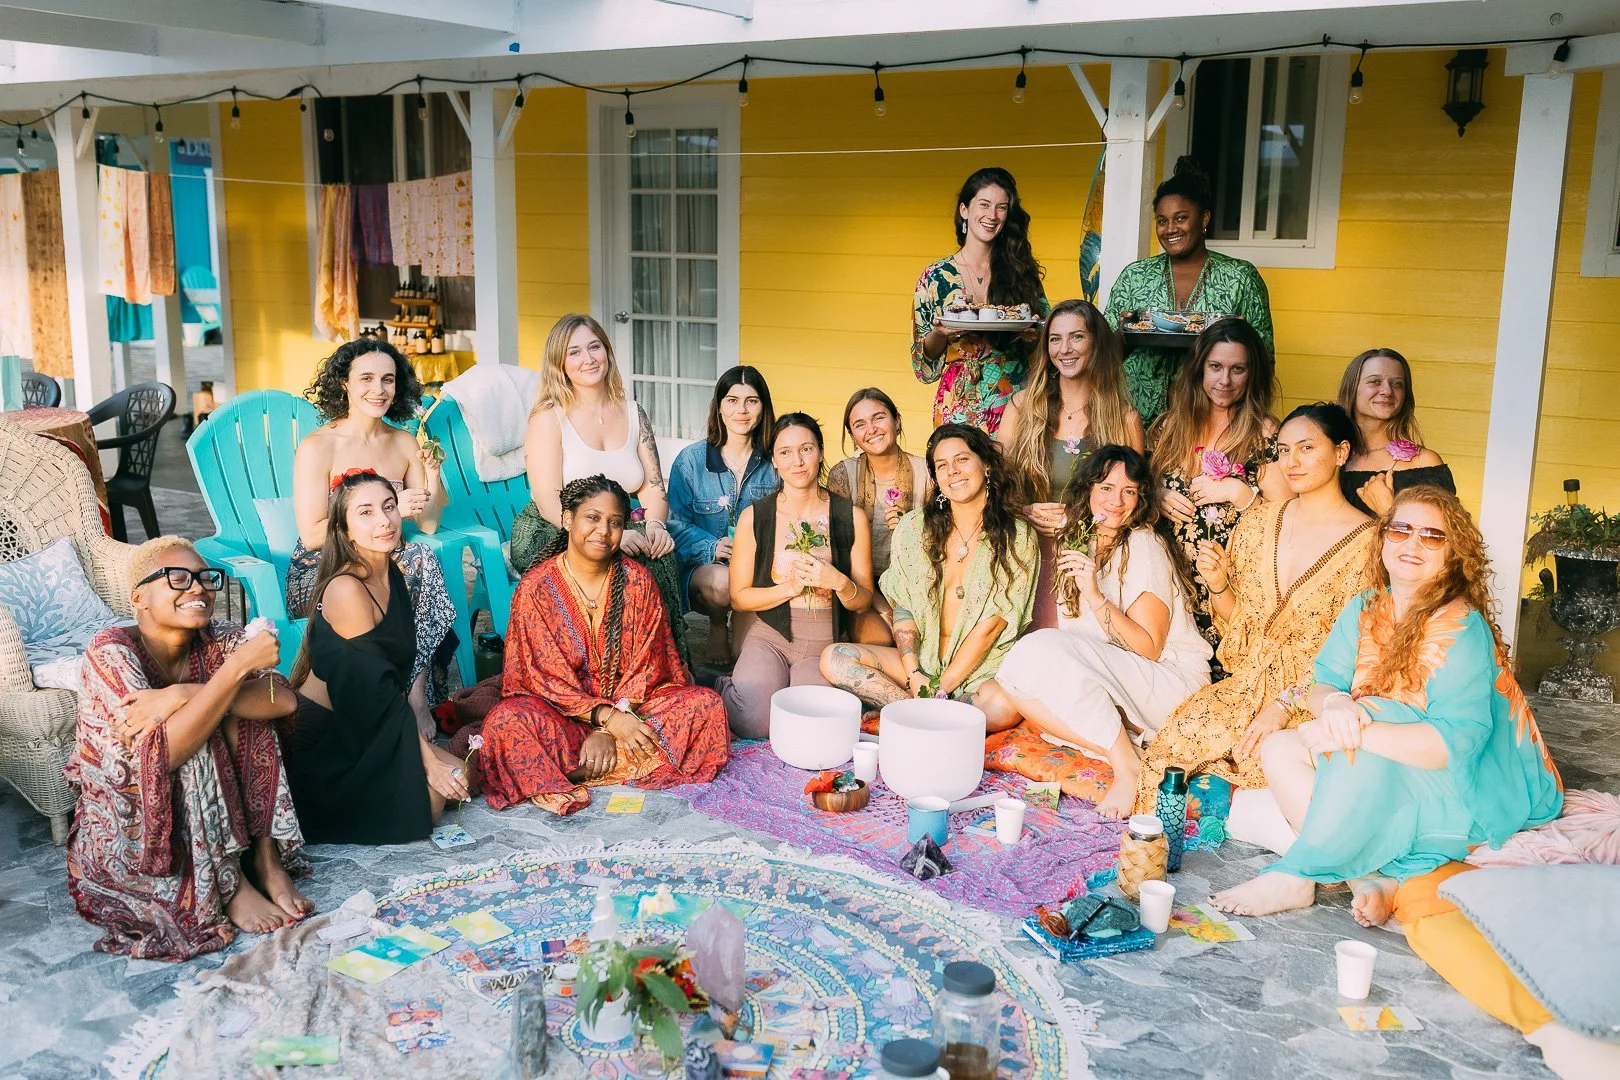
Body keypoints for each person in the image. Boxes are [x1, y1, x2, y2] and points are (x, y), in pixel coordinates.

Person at [1210, 486, 1562, 918]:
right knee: (1279, 746)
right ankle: (1365, 876)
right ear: (1383, 539)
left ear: (1453, 554)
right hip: (1386, 763)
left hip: (1464, 788)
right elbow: (1324, 682)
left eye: (1432, 536)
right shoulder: (1365, 606)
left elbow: (1455, 744)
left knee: (1365, 714)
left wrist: (1358, 731)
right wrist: (1336, 705)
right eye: (1401, 530)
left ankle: (1297, 875)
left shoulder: (1462, 627)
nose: (1413, 543)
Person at [67, 537, 309, 961]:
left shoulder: (219, 637)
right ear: (138, 597)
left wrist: (181, 693)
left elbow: (282, 699)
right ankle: (230, 883)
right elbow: (165, 754)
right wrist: (236, 670)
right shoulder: (110, 651)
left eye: (203, 578)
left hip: (201, 796)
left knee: (240, 713)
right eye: (177, 578)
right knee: (201, 728)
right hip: (135, 823)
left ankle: (267, 861)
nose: (197, 588)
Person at [1133, 403, 1380, 812]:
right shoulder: (1258, 523)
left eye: (1306, 448)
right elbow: (1240, 627)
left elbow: (1355, 654)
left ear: (1341, 452)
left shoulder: (1370, 545)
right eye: (1283, 450)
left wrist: (1283, 707)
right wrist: (1219, 586)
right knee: (1166, 762)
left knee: (1261, 777)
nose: (1292, 462)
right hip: (1242, 688)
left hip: (1312, 699)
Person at [478, 476, 730, 815]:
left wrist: (613, 728)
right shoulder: (536, 588)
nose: (603, 531)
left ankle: (575, 770)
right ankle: (611, 765)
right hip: (561, 716)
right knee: (505, 723)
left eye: (615, 523)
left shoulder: (638, 582)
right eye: (593, 518)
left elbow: (648, 666)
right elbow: (543, 678)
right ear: (568, 519)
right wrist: (604, 718)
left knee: (706, 706)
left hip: (633, 712)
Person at [997, 446, 1211, 817]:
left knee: (1036, 650)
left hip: (1172, 684)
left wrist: (1095, 595)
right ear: (1089, 490)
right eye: (1107, 488)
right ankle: (1129, 751)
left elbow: (1148, 647)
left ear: (1141, 499)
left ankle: (1127, 767)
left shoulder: (1143, 544)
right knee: (1014, 681)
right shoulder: (1081, 542)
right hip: (1123, 679)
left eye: (1129, 491)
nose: (1117, 501)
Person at [283, 471, 468, 844]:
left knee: (462, 775)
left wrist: (427, 759)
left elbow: (388, 682)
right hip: (326, 738)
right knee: (431, 799)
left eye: (389, 507)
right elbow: (377, 690)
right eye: (365, 513)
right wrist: (427, 761)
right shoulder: (346, 588)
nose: (384, 521)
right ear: (345, 530)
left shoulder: (392, 574)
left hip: (370, 721)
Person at [821, 423, 1035, 732]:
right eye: (942, 465)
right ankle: (919, 712)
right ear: (935, 477)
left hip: (980, 670)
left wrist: (942, 687)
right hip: (921, 665)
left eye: (962, 459)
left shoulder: (1017, 536)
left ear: (986, 465)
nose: (953, 471)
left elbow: (992, 627)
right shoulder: (914, 527)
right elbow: (904, 609)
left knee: (1003, 706)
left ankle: (910, 714)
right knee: (835, 658)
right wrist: (914, 675)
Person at [290, 338, 459, 726]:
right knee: (411, 563)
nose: (378, 389)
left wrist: (432, 475)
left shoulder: (403, 443)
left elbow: (429, 523)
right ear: (344, 383)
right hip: (326, 567)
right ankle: (410, 701)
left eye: (388, 379)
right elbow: (312, 534)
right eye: (366, 378)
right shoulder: (319, 447)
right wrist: (389, 509)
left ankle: (413, 697)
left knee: (416, 558)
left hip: (392, 562)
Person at [510, 314, 689, 669]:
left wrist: (655, 524)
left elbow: (653, 485)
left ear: (607, 351)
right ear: (560, 363)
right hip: (556, 525)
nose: (588, 358)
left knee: (660, 557)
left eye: (594, 347)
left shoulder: (634, 413)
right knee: (620, 564)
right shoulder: (549, 416)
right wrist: (610, 536)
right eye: (574, 352)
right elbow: (547, 498)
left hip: (617, 520)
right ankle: (609, 672)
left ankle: (664, 670)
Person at [719, 414, 876, 737]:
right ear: (774, 461)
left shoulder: (850, 516)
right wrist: (789, 587)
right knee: (754, 721)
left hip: (822, 645)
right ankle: (729, 684)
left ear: (820, 452)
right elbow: (739, 597)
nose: (798, 461)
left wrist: (838, 582)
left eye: (806, 449)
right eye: (785, 452)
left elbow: (863, 601)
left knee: (811, 724)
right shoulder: (755, 517)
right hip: (770, 638)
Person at [1150, 317, 1289, 667]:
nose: (1224, 380)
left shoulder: (1265, 434)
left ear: (1252, 374)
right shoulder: (1170, 426)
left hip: (1228, 590)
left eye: (1237, 369)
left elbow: (1288, 519)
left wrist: (1237, 492)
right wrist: (1156, 495)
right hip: (1169, 585)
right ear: (1199, 368)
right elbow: (1134, 491)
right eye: (1215, 367)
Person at [998, 299, 1144, 629]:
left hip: (1092, 557)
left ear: (1096, 343)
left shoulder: (1123, 418)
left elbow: (1134, 501)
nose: (1065, 349)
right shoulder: (1022, 407)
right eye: (1055, 339)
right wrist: (1024, 512)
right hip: (1026, 548)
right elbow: (995, 480)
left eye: (1077, 337)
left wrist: (1080, 524)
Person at [1105, 156, 1274, 424]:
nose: (1170, 229)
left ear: (1204, 218)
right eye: (1162, 221)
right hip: (1135, 418)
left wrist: (1238, 333)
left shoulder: (1240, 277)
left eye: (1181, 218)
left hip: (1212, 423)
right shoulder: (1135, 276)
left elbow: (1263, 359)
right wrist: (1124, 332)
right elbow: (1104, 356)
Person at [911, 167, 1049, 433]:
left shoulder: (1020, 271)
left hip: (1014, 395)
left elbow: (1047, 335)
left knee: (1011, 460)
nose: (992, 215)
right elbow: (922, 363)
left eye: (1001, 207)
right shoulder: (936, 278)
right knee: (958, 459)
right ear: (964, 210)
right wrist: (939, 334)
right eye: (984, 204)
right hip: (958, 399)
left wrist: (1032, 336)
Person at [666, 366, 780, 667]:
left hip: (759, 572)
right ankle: (718, 623)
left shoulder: (775, 461)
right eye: (732, 400)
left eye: (751, 401)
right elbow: (673, 524)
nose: (741, 410)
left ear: (763, 407)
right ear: (719, 407)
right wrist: (712, 546)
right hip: (708, 572)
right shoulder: (691, 461)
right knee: (723, 583)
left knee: (745, 656)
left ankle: (742, 627)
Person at [826, 388, 931, 643]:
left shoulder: (927, 473)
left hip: (915, 586)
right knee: (881, 639)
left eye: (879, 418)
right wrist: (884, 608)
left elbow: (939, 545)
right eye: (860, 425)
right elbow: (838, 555)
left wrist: (909, 528)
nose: (871, 429)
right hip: (861, 587)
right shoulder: (843, 475)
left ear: (897, 421)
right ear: (853, 436)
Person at [1337, 348, 1455, 516]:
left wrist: (1387, 510)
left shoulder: (1424, 462)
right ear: (1351, 389)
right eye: (1375, 381)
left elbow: (1445, 529)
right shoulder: (1328, 457)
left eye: (1397, 384)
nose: (1387, 391)